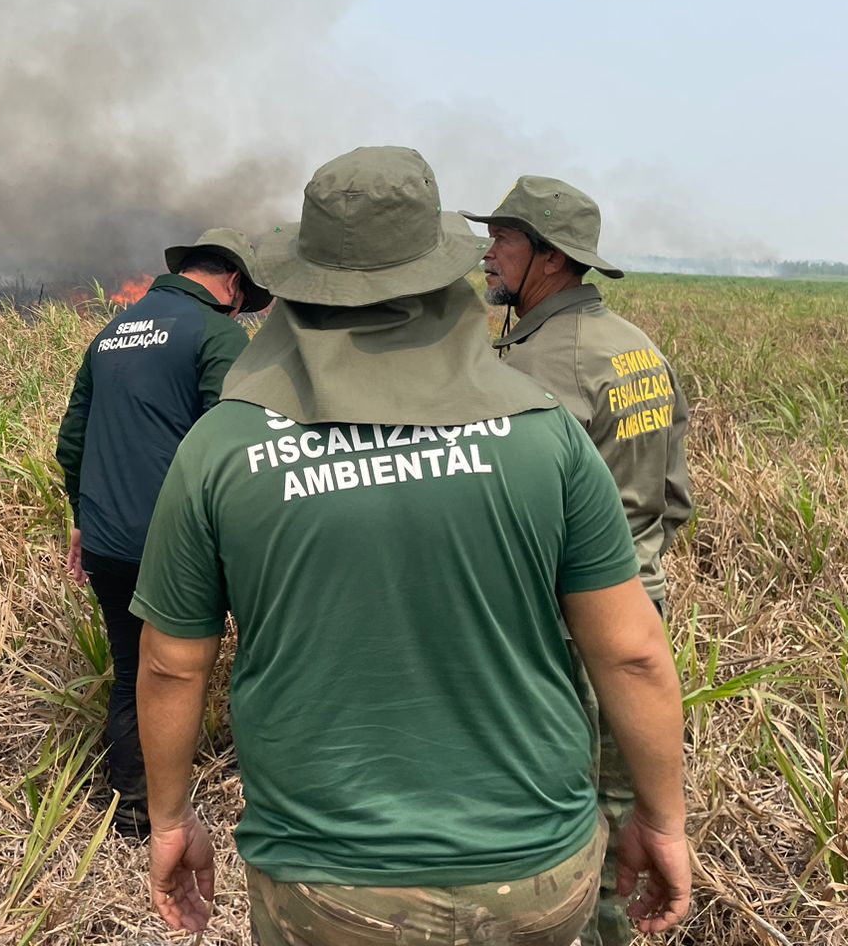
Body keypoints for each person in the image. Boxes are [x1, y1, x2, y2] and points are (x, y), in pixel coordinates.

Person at [133, 147, 690, 944]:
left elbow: (169, 662)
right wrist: (662, 821)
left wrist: (169, 819)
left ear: (300, 284)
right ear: (441, 277)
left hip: (328, 887)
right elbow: (633, 654)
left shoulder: (222, 447)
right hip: (536, 878)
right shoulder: (545, 435)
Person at [462, 176, 693, 946]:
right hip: (642, 611)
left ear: (552, 257)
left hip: (564, 628)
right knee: (628, 815)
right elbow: (674, 499)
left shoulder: (529, 371)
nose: (488, 254)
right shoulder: (638, 349)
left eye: (504, 240)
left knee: (559, 825)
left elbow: (508, 520)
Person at [55, 228, 270, 838]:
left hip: (107, 542)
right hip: (182, 544)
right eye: (245, 298)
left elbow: (73, 439)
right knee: (250, 654)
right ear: (232, 281)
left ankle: (132, 810)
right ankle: (265, 788)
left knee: (133, 670)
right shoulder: (217, 334)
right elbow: (233, 440)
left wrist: (81, 518)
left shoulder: (111, 333)